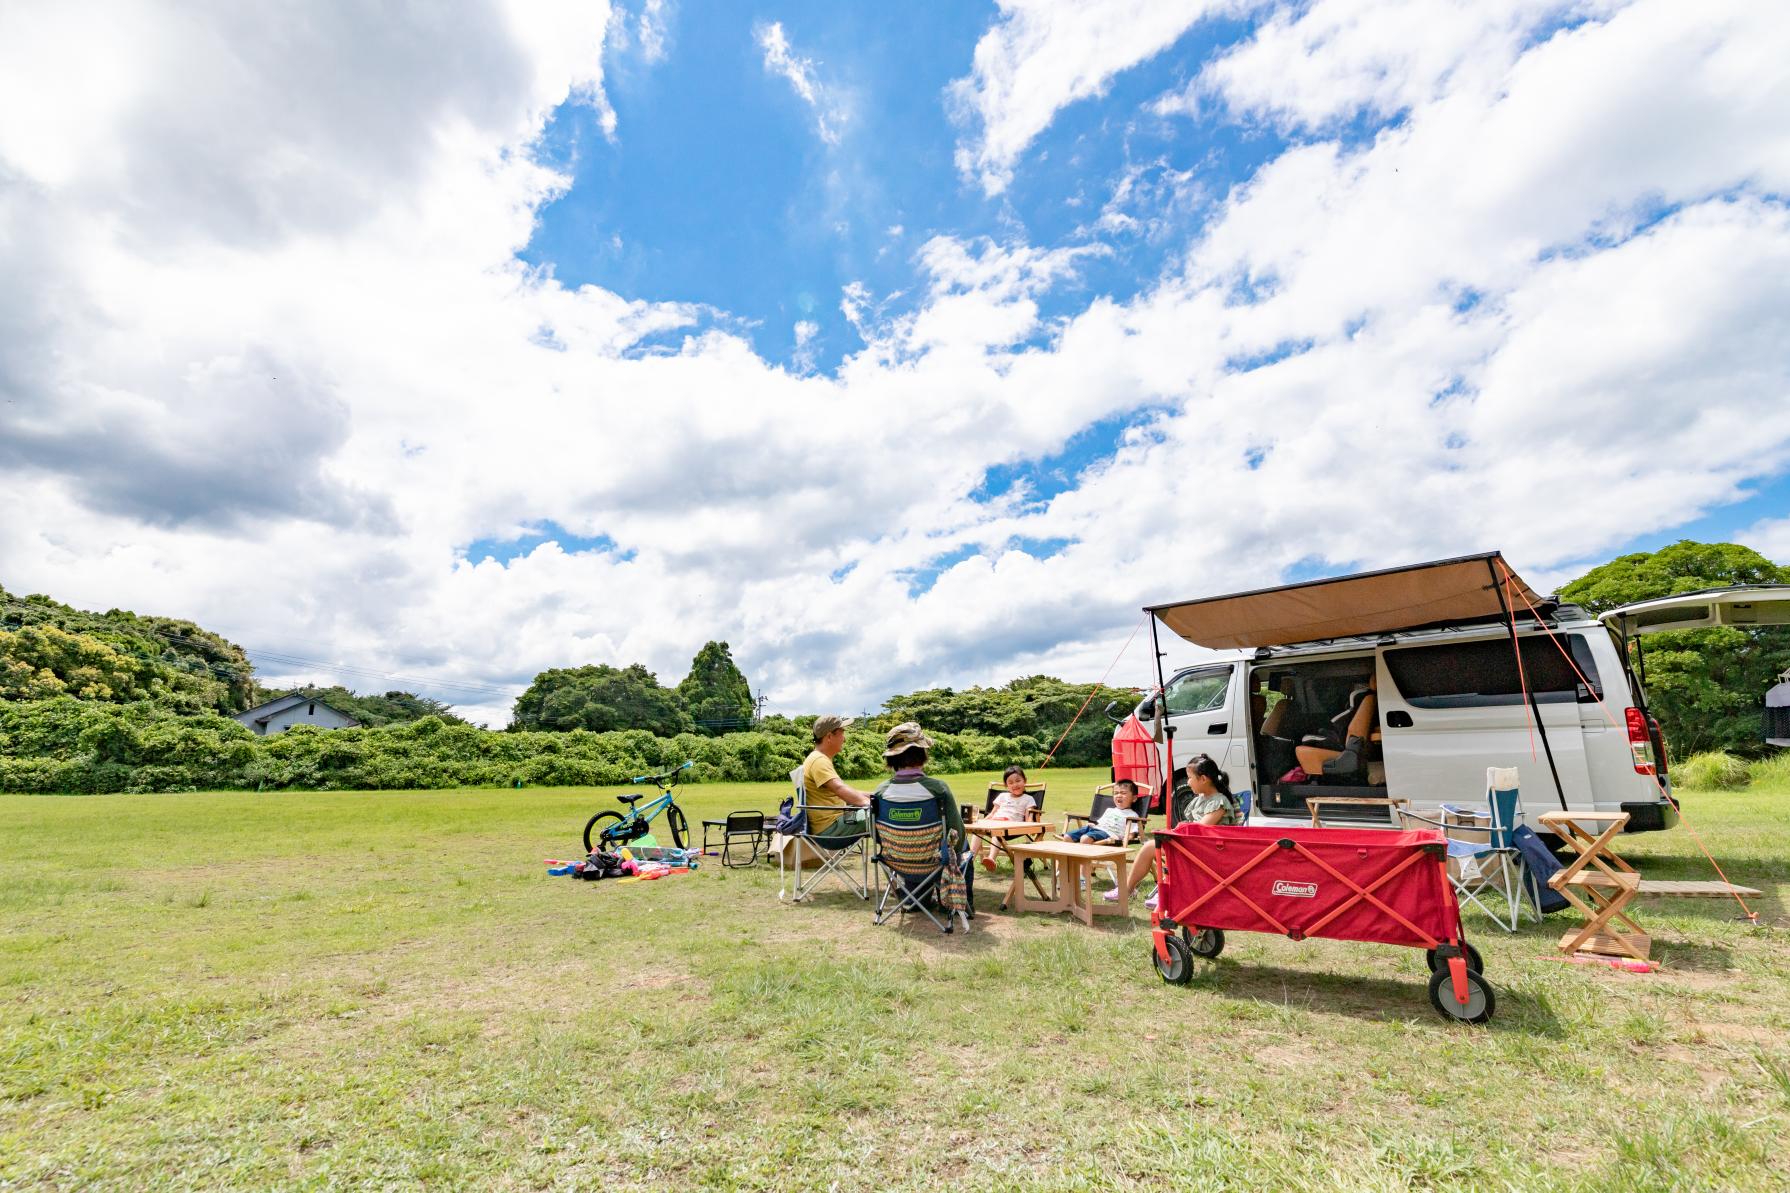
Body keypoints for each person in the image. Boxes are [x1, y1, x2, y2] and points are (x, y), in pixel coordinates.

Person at [872, 722, 971, 927]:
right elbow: (957, 833)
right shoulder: (938, 789)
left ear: (892, 758)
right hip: (934, 861)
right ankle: (953, 902)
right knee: (963, 847)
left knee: (910, 843)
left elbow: (877, 836)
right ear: (922, 754)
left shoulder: (881, 791)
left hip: (897, 861)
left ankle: (913, 898)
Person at [1107, 754, 1239, 907]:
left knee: (1159, 847)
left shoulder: (1219, 802)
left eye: (1190, 778)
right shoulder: (1200, 799)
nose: (1188, 782)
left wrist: (1179, 830)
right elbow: (1190, 826)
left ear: (1203, 779)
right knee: (1149, 846)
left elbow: (1200, 828)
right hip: (1193, 844)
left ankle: (1166, 892)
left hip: (1208, 849)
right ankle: (1127, 889)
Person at [801, 714, 874, 843]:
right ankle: (902, 857)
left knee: (879, 814)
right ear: (829, 736)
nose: (844, 739)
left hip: (833, 824)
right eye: (842, 733)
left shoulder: (818, 758)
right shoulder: (819, 761)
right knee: (882, 817)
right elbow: (840, 789)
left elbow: (843, 790)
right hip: (830, 830)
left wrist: (876, 796)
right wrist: (872, 804)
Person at [1293, 673, 1376, 779]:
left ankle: (1315, 779)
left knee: (1305, 740)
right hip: (1353, 745)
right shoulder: (1367, 697)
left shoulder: (1360, 697)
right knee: (1320, 731)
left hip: (1348, 748)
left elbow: (1338, 722)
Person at [978, 764, 1038, 871]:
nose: (1015, 784)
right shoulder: (1002, 796)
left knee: (997, 833)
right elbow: (992, 813)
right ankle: (970, 857)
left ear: (1025, 781)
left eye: (1018, 780)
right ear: (1006, 785)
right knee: (977, 830)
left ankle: (991, 859)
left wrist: (1031, 826)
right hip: (994, 821)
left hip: (1010, 826)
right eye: (1010, 782)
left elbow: (1029, 818)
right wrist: (981, 822)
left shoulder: (1028, 799)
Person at [1064, 780, 1140, 844]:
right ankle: (1070, 861)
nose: (1119, 795)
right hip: (1095, 829)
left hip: (1110, 834)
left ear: (1134, 798)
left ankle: (1082, 861)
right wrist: (1093, 824)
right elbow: (1100, 824)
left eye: (1123, 793)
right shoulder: (1109, 810)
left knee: (1085, 839)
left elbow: (1132, 832)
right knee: (1067, 837)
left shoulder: (1132, 815)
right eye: (1116, 793)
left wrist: (1128, 838)